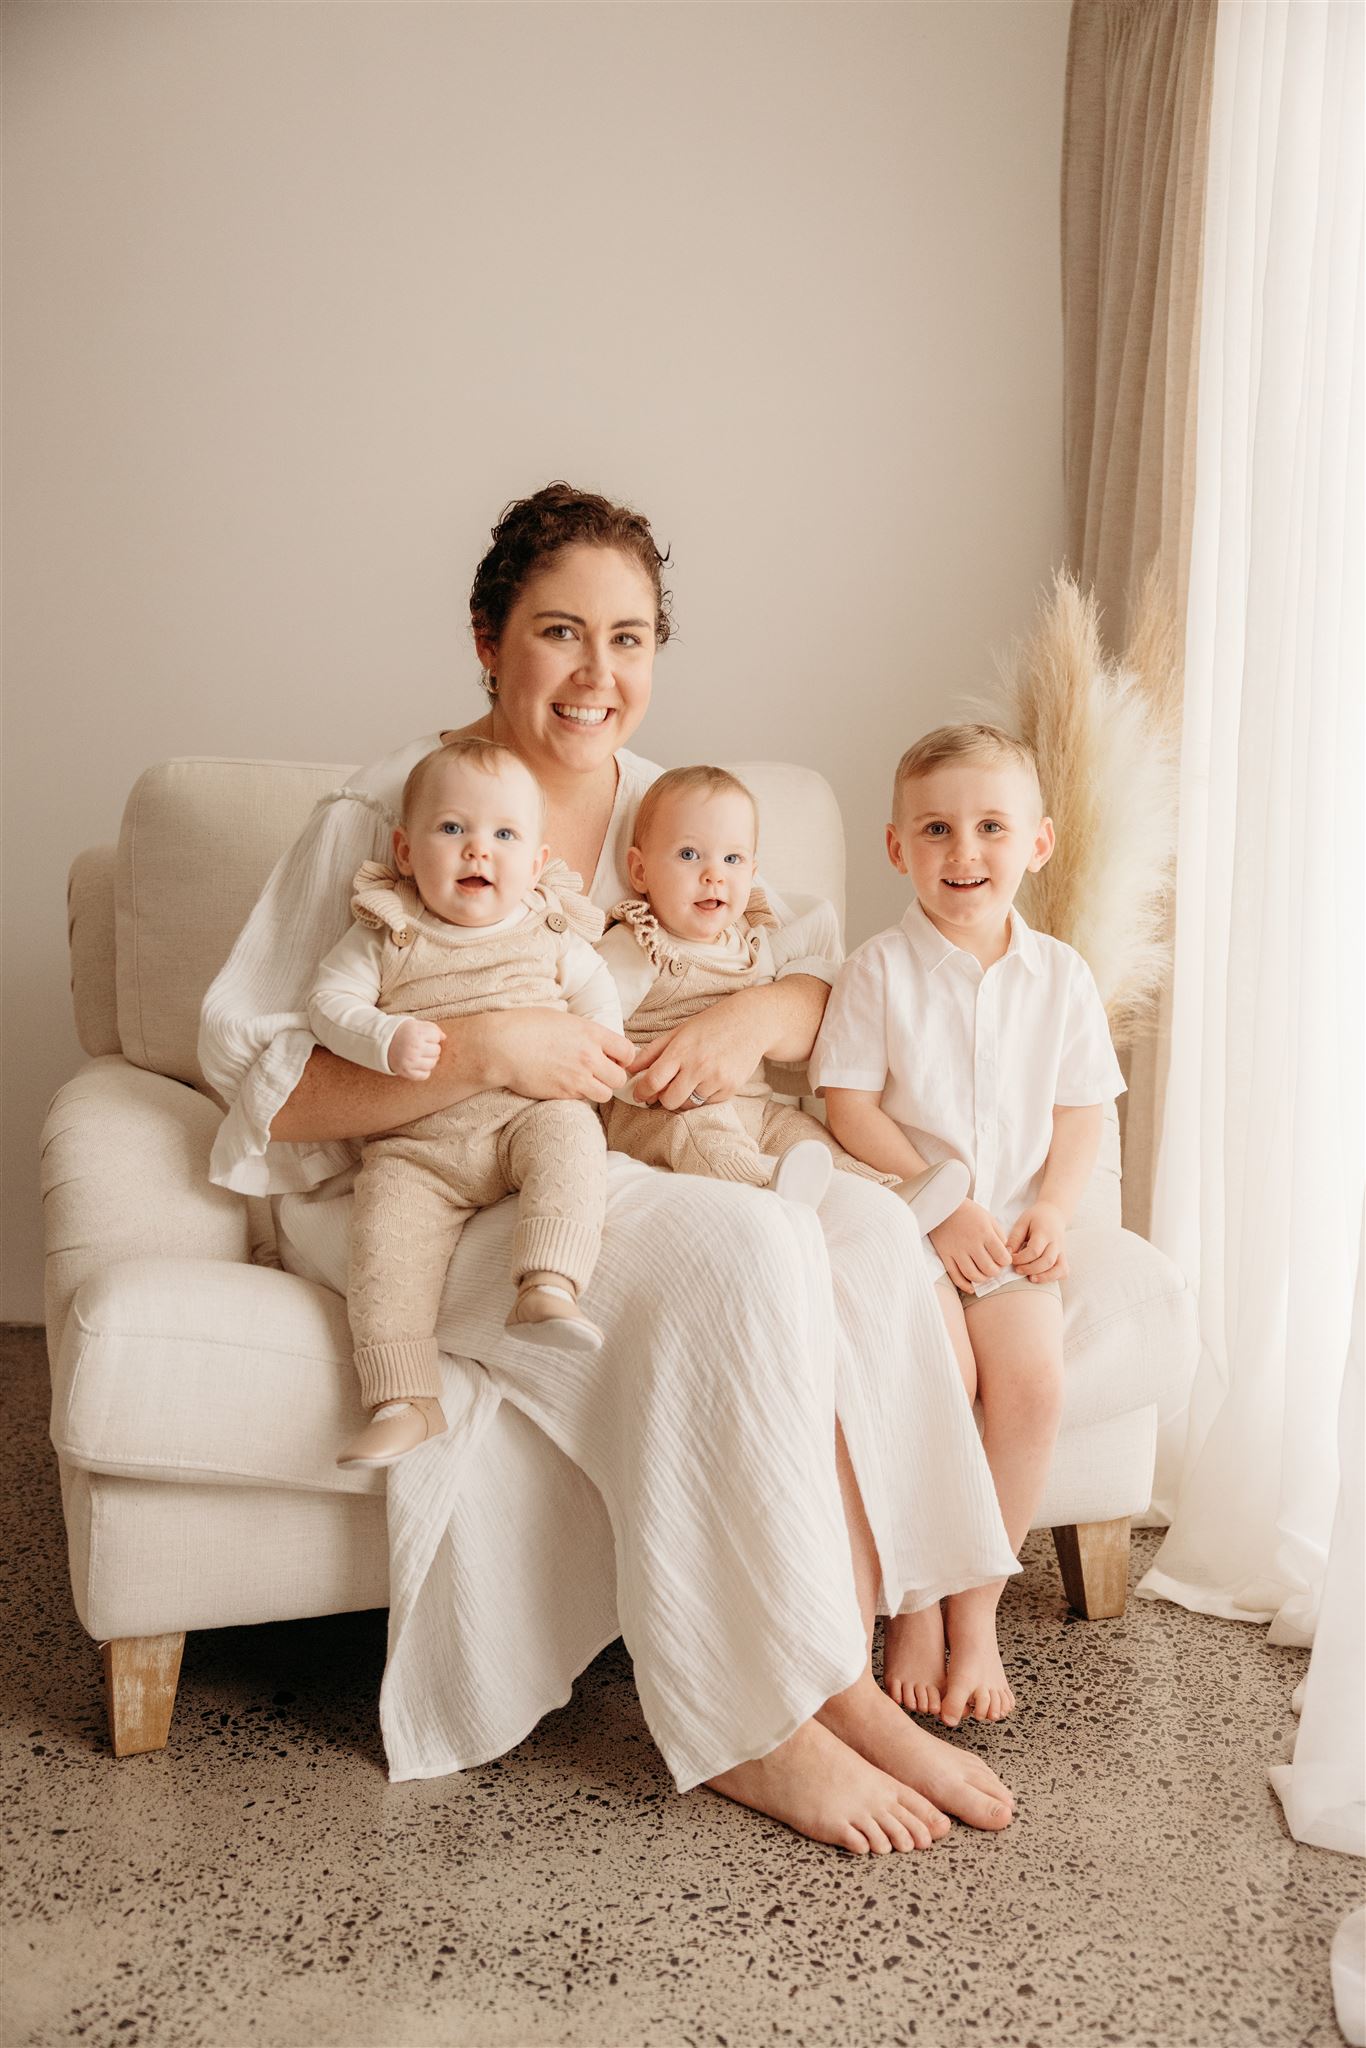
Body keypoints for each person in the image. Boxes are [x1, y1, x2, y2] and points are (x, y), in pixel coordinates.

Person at [199, 484, 1019, 1856]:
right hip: (417, 1187)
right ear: (486, 636)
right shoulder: (392, 815)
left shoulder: (674, 810)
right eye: (560, 634)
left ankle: (844, 1666)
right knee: (744, 1250)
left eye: (630, 639)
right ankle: (756, 1716)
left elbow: (828, 981)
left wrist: (758, 1015)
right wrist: (480, 1050)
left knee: (866, 1238)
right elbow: (268, 1087)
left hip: (590, 1164)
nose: (598, 676)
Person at [811, 723, 1126, 1728]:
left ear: (1035, 842)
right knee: (938, 1379)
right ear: (899, 847)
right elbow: (848, 1107)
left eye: (991, 826)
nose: (965, 851)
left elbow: (1083, 1109)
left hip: (1014, 1240)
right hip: (912, 1227)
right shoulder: (877, 969)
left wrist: (1054, 1208)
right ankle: (911, 1600)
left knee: (1028, 1383)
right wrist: (940, 1201)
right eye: (937, 828)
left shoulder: (1062, 977)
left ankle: (974, 1610)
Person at [306, 737, 623, 1469]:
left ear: (538, 863)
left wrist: (599, 1042)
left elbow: (598, 995)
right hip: (418, 1144)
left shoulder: (549, 928)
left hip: (526, 1115)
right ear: (406, 850)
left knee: (574, 1141)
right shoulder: (387, 929)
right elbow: (328, 1002)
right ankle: (404, 1399)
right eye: (453, 829)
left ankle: (548, 1278)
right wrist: (382, 1037)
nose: (479, 851)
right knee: (382, 1242)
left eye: (505, 835)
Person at [599, 762, 968, 1226]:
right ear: (639, 870)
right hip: (660, 1110)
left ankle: (887, 1193)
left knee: (804, 1133)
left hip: (753, 1104)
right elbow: (592, 1027)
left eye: (732, 860)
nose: (714, 875)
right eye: (689, 855)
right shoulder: (638, 943)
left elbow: (802, 1014)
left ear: (752, 873)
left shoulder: (752, 942)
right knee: (702, 1133)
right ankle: (761, 1191)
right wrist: (631, 1084)